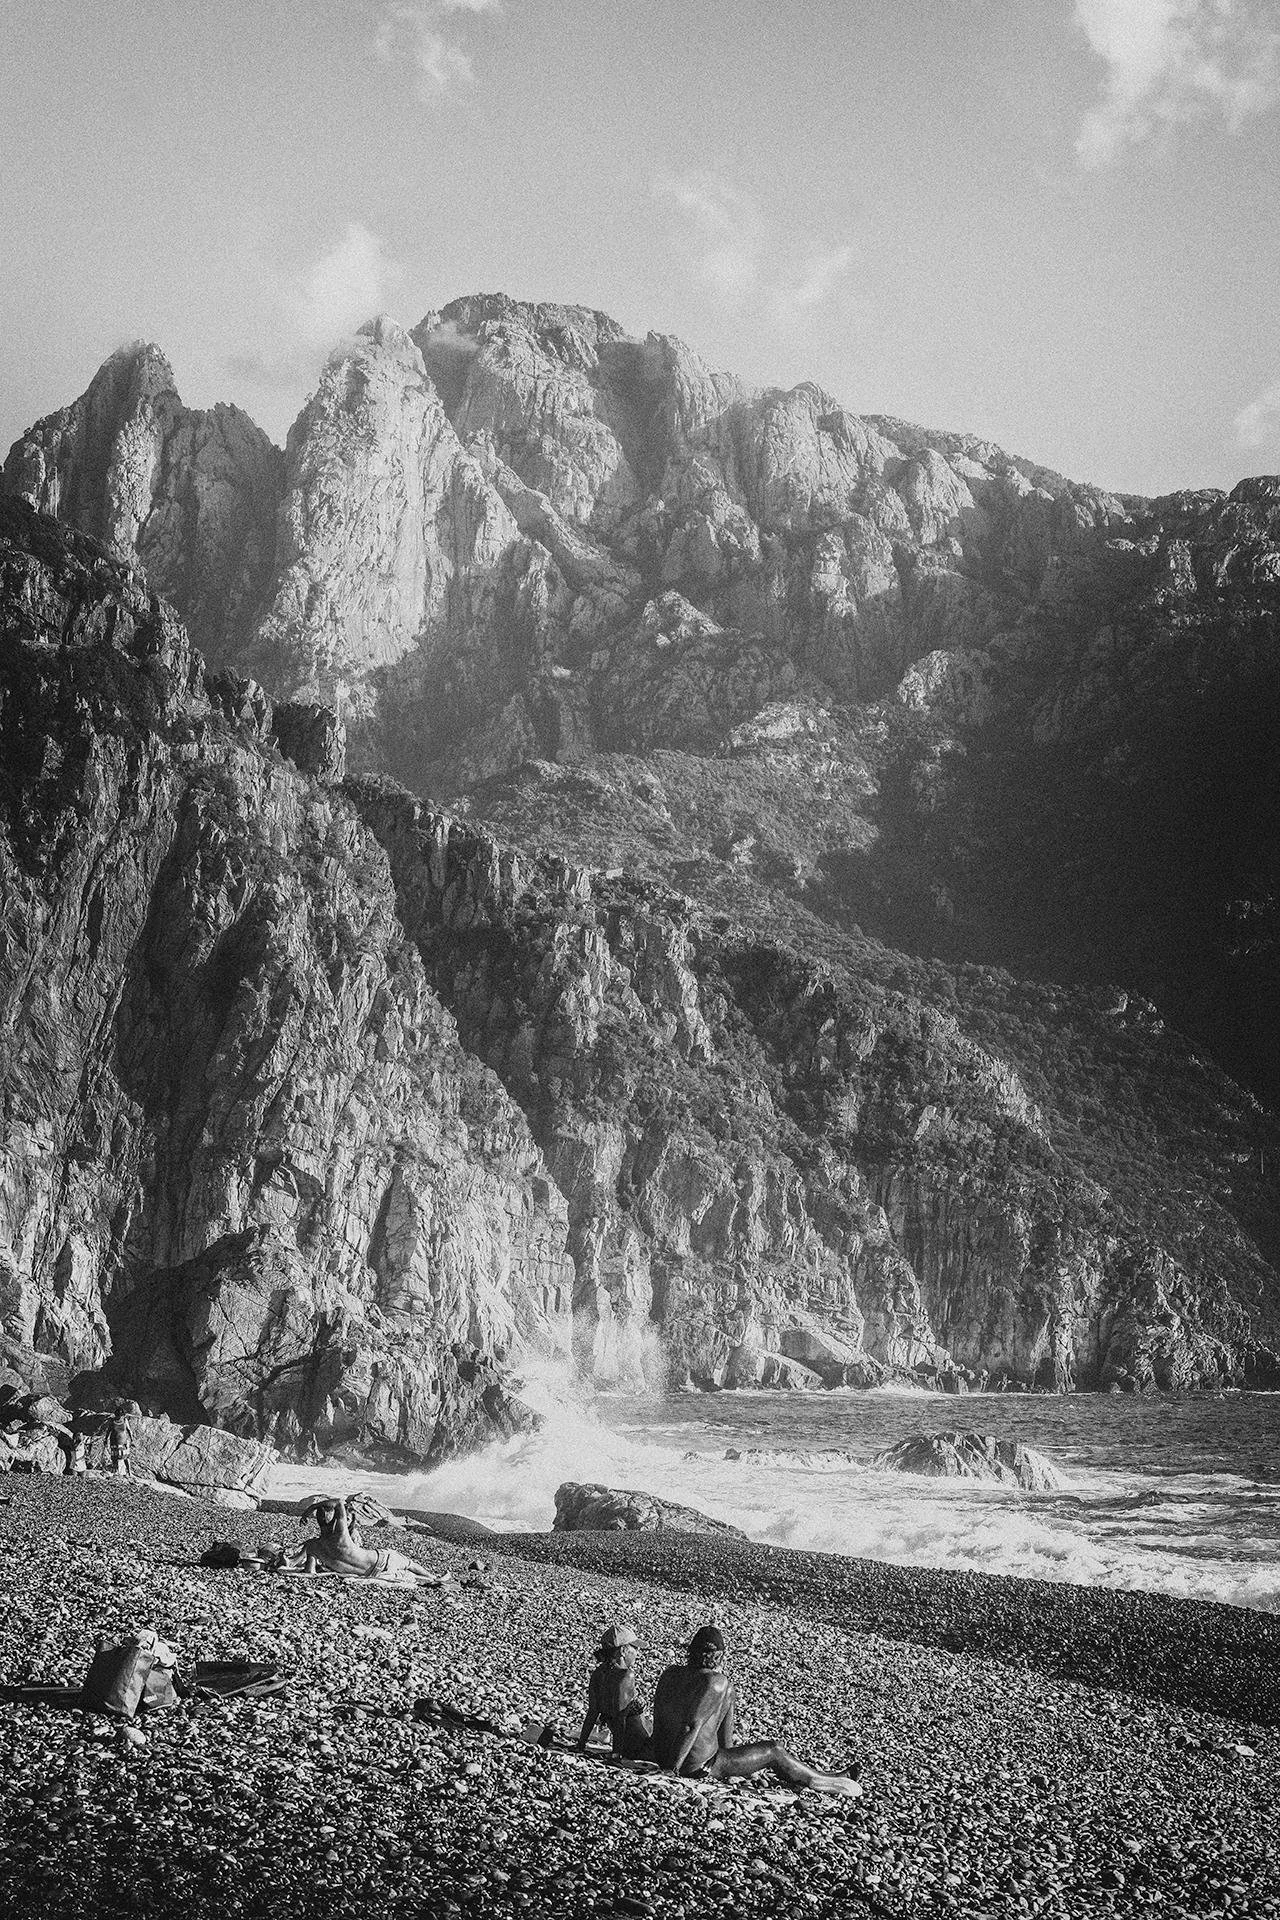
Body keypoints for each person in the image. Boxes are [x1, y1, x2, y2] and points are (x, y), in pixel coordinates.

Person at [649, 1624, 861, 1794]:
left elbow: (661, 1719)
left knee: (728, 1691)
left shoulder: (670, 1674)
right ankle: (821, 1778)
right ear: (720, 1656)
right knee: (774, 1750)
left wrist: (665, 1760)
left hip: (663, 1754)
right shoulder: (715, 1681)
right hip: (695, 1766)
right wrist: (672, 1770)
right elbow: (690, 1726)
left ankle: (826, 1775)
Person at [577, 1624, 653, 1760]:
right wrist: (616, 1754)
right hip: (642, 1744)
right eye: (634, 1648)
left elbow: (592, 1712)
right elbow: (620, 1717)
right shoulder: (626, 1675)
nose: (637, 1652)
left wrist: (581, 1744)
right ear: (623, 1651)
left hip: (626, 1745)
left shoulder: (598, 1673)